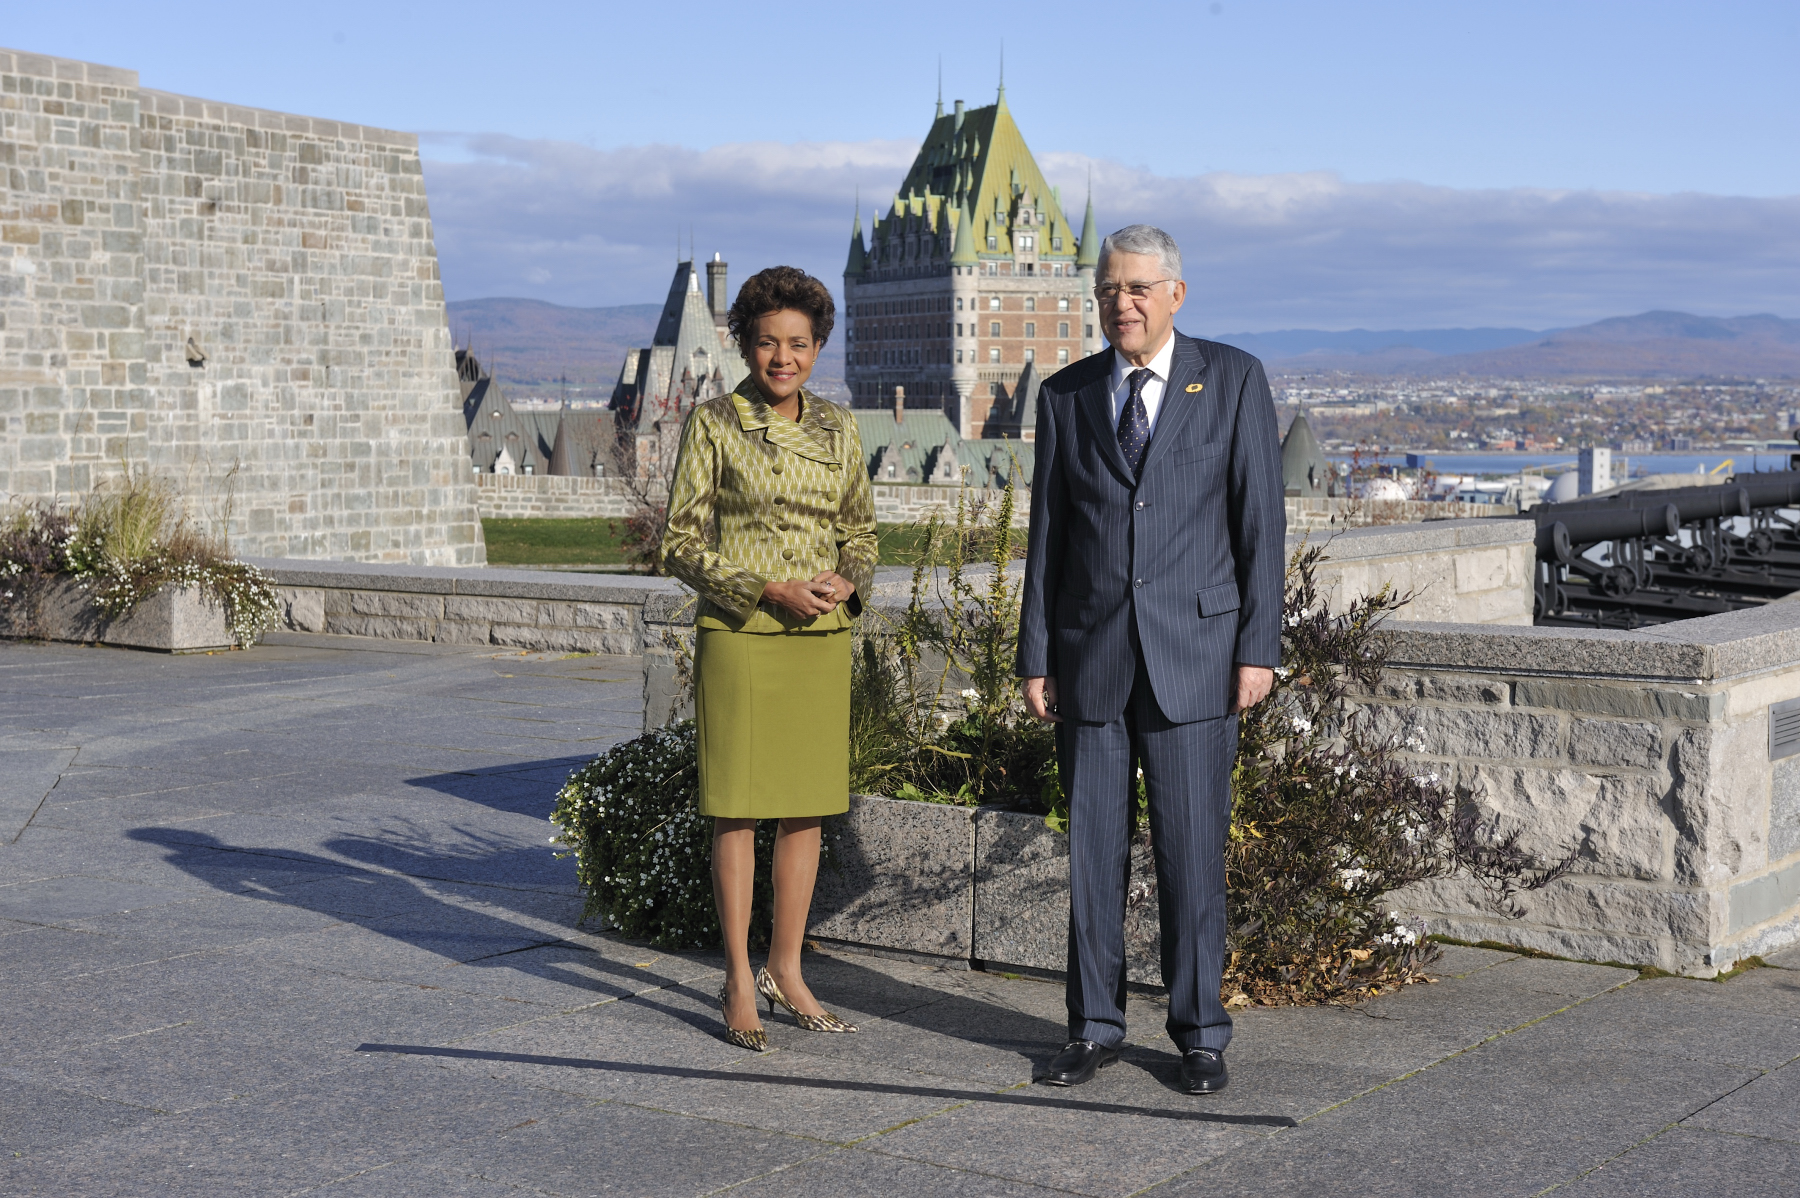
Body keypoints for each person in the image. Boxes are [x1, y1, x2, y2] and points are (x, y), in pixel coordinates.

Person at [1017, 225, 1284, 1095]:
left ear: (1175, 293)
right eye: (1106, 291)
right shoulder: (1066, 396)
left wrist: (1257, 650)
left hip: (1198, 659)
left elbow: (1259, 529)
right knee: (1093, 858)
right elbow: (1049, 539)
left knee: (1190, 855)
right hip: (1090, 659)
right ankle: (1092, 1027)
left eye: (1136, 290)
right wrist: (1035, 656)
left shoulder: (1232, 379)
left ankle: (1200, 1033)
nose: (1119, 305)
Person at [660, 266, 876, 1050]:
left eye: (798, 344)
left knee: (805, 807)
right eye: (766, 343)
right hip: (743, 636)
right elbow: (678, 543)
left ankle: (788, 968)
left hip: (820, 641)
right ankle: (739, 980)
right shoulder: (714, 423)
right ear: (745, 344)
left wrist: (847, 577)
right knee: (740, 805)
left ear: (818, 347)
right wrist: (766, 588)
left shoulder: (842, 429)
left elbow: (863, 532)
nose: (782, 357)